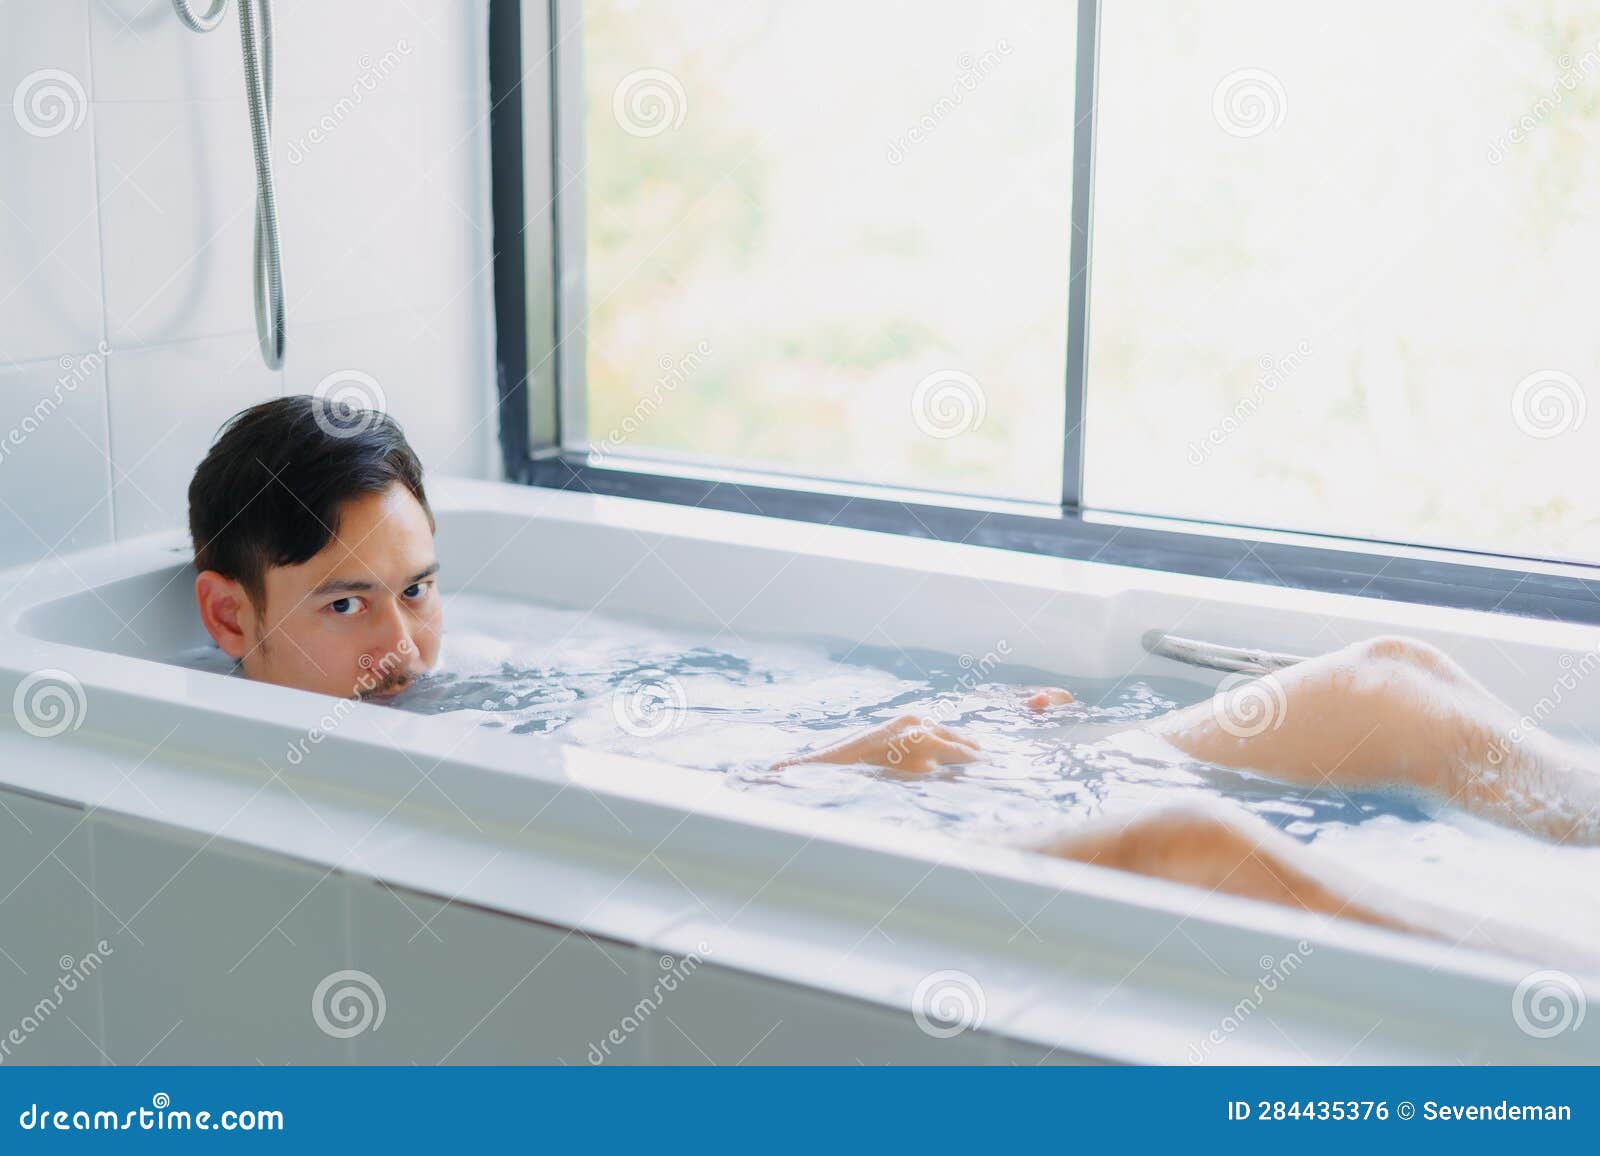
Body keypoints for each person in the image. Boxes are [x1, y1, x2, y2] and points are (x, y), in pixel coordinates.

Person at [188, 395, 1597, 949]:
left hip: (881, 796)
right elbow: (627, 847)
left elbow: (654, 745)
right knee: (1188, 838)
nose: (403, 643)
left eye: (421, 590)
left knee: (1390, 675)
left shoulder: (445, 686)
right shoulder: (326, 758)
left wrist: (922, 731)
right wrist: (858, 762)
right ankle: (1549, 993)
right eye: (347, 606)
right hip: (823, 848)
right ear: (228, 617)